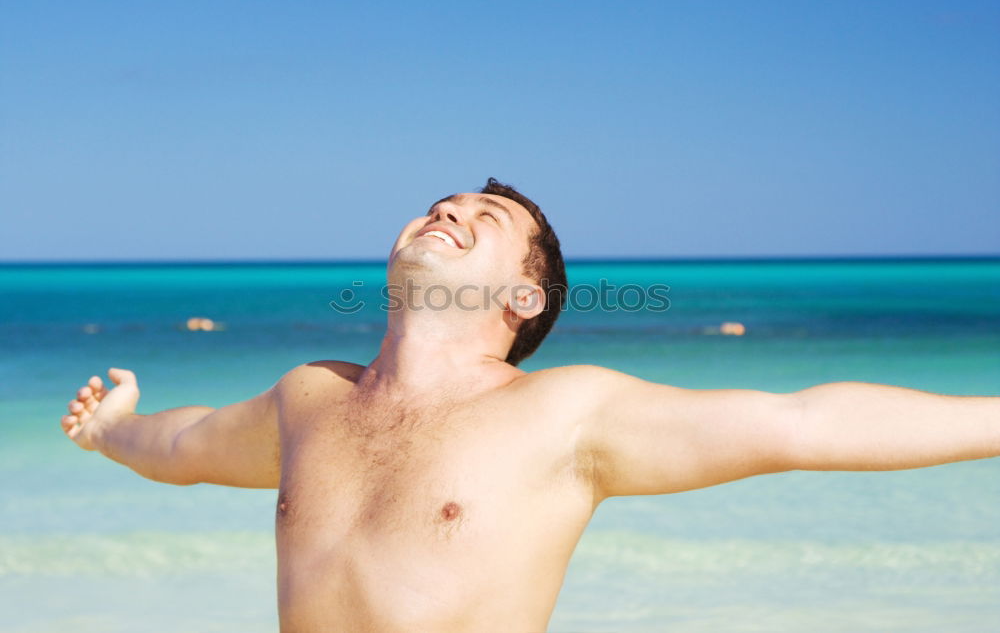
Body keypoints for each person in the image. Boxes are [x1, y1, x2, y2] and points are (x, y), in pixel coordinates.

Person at [62, 178, 999, 632]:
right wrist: (108, 431)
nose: (449, 211)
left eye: (489, 220)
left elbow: (806, 423)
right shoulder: (311, 397)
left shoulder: (566, 415)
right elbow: (183, 443)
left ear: (523, 300)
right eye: (441, 202)